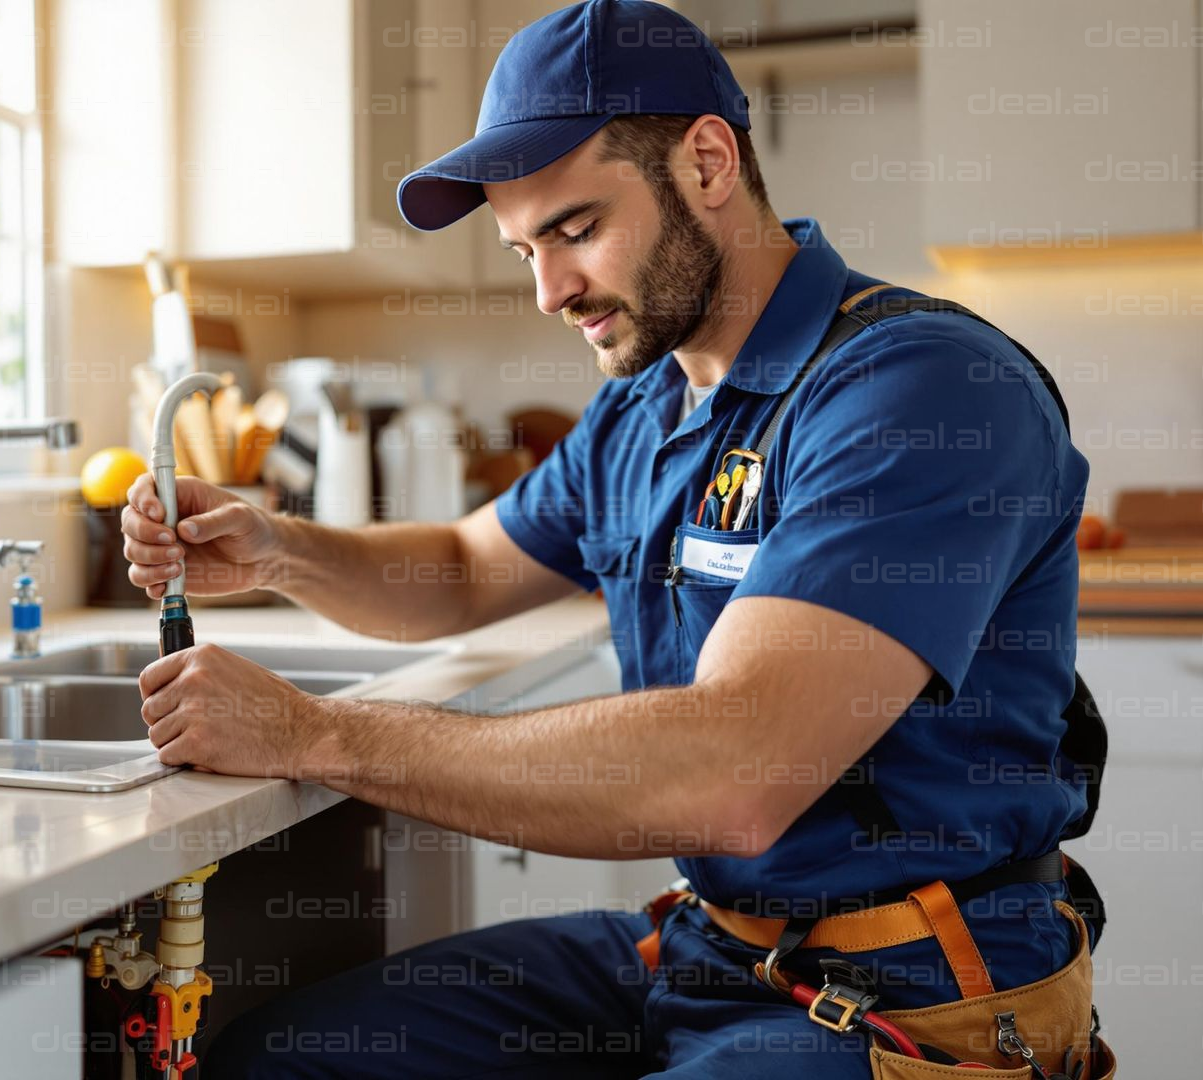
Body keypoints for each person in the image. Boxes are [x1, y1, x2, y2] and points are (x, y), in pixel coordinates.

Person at [123, 2, 1104, 1076]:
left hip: (914, 992)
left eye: (576, 229)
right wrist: (276, 549)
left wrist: (317, 735)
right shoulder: (647, 411)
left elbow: (737, 767)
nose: (549, 291)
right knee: (285, 1059)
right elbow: (456, 573)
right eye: (524, 247)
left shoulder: (918, 389)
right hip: (706, 952)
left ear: (709, 160)